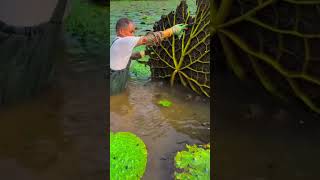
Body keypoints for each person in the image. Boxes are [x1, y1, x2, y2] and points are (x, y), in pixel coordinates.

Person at [110, 17, 188, 95]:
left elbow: (130, 56)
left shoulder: (117, 42)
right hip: (114, 83)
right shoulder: (122, 41)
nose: (133, 35)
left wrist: (147, 52)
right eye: (131, 32)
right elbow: (146, 40)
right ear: (121, 31)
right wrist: (171, 31)